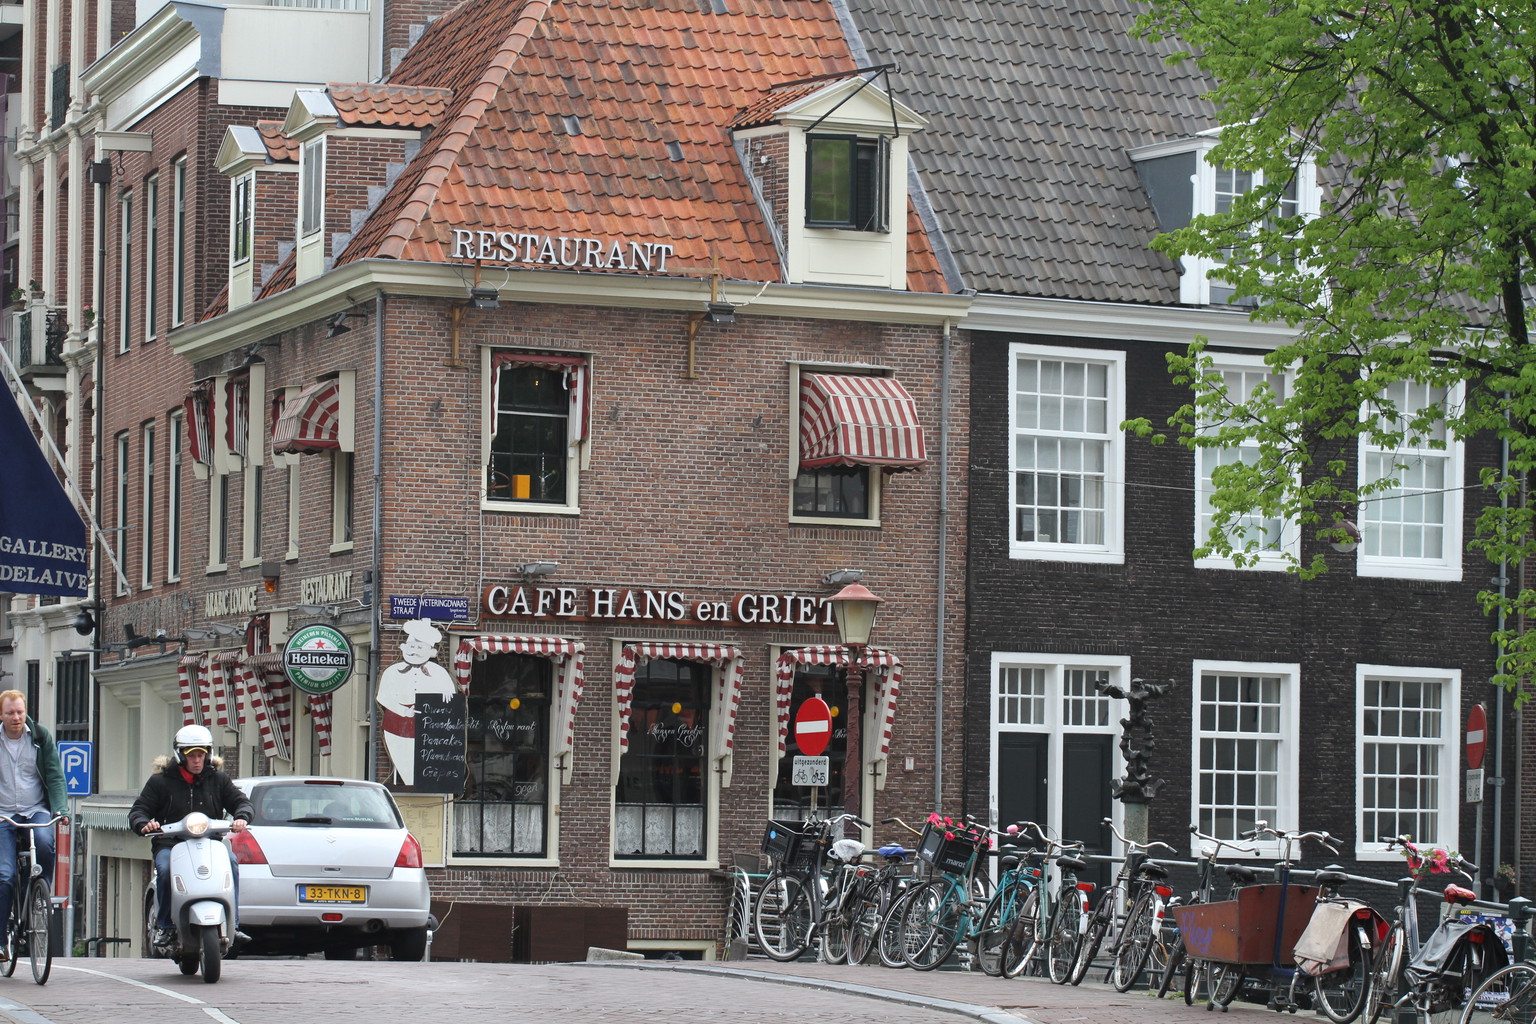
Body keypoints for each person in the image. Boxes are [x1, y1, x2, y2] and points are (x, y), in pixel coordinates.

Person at [127, 724, 253, 948]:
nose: (197, 760)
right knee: (165, 869)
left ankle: (233, 923)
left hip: (210, 843)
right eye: (191, 755)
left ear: (208, 755)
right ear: (180, 755)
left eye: (201, 755)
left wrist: (242, 817)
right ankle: (165, 926)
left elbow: (241, 802)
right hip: (170, 843)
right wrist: (144, 824)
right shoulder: (160, 782)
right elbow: (139, 810)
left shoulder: (219, 780)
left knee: (231, 862)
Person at [0, 690, 66, 961]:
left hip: (35, 809)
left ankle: (39, 895)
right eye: (10, 713)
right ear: (1, 715)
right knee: (4, 875)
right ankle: (1, 940)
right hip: (3, 814)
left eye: (20, 712)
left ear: (25, 712)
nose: (16, 717)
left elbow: (55, 775)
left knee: (45, 842)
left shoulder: (39, 736)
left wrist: (60, 809)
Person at [375, 618, 456, 785]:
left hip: (428, 725)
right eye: (411, 647)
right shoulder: (392, 671)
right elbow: (383, 697)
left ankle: (421, 789)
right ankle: (409, 786)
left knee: (426, 762)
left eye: (420, 648)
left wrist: (448, 693)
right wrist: (403, 711)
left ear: (431, 652)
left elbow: (450, 695)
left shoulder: (439, 673)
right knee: (404, 760)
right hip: (397, 724)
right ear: (403, 647)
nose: (414, 652)